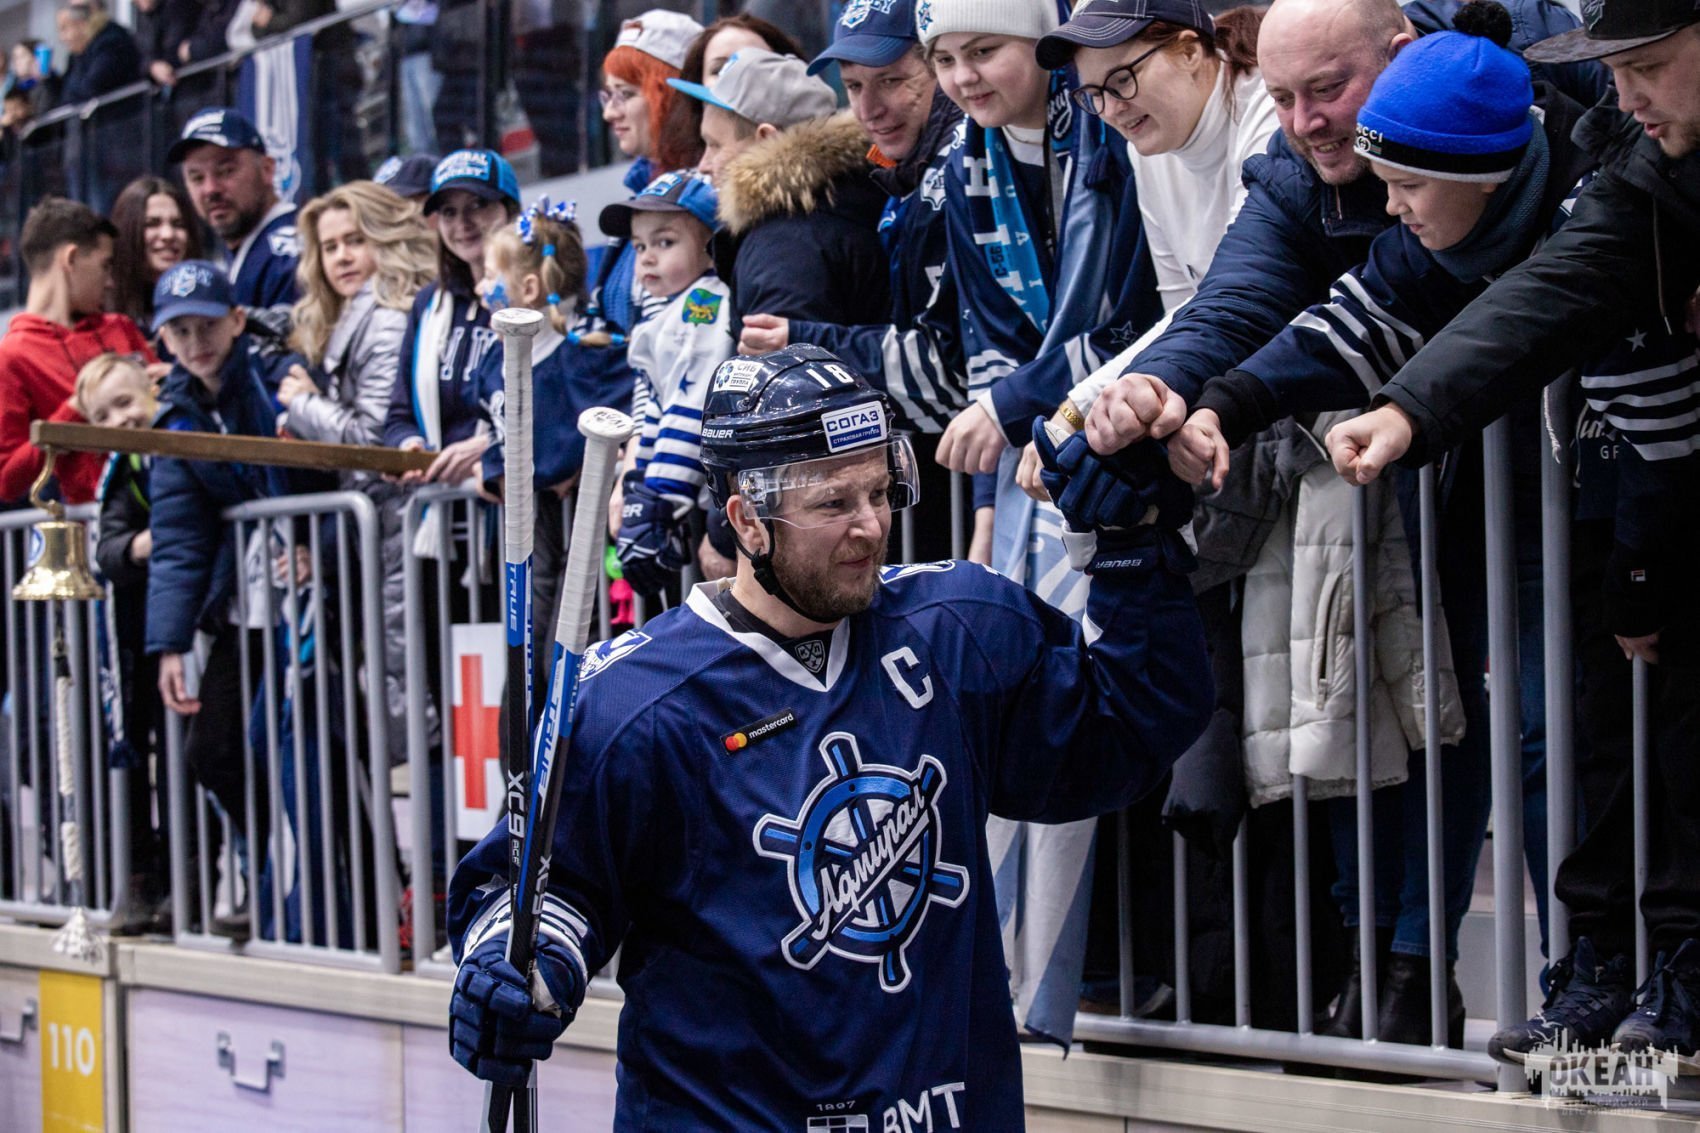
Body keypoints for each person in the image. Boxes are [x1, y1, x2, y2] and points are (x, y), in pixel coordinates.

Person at [444, 345, 1214, 1128]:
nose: (871, 525)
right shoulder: (631, 702)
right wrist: (518, 967)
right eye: (834, 502)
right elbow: (541, 884)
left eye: (879, 490)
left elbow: (1129, 728)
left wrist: (1130, 547)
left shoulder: (958, 628)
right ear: (746, 520)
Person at [1321, 0, 1700, 1064]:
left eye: (1649, 64)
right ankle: (1627, 964)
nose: (1624, 95)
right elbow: (1552, 289)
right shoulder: (1642, 161)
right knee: (1621, 735)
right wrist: (1407, 408)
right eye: (1611, 69)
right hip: (1643, 497)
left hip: (1657, 495)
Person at [738, 0, 968, 566]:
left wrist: (806, 345)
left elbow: (953, 375)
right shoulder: (906, 181)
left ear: (940, 66)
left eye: (891, 80)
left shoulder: (956, 174)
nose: (869, 108)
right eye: (854, 86)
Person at [147, 260, 303, 939]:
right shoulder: (175, 413)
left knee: (308, 747)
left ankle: (329, 890)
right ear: (164, 340)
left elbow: (316, 471)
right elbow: (179, 537)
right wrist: (170, 643)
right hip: (244, 604)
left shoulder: (277, 374)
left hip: (317, 594)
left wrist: (313, 540)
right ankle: (267, 870)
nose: (196, 342)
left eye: (207, 325)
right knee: (211, 749)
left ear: (237, 320)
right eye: (179, 331)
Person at [281, 180, 436, 765]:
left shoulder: (387, 315)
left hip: (399, 519)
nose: (342, 256)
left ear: (386, 240)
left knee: (413, 688)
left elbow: (373, 439)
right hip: (383, 526)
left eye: (355, 240)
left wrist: (303, 404)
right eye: (329, 247)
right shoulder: (357, 314)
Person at [475, 197, 634, 660]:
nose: (481, 286)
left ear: (528, 288)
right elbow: (494, 424)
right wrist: (494, 470)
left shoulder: (581, 351)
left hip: (582, 515)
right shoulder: (494, 359)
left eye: (489, 275)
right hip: (535, 512)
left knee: (568, 634)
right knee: (528, 631)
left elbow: (624, 410)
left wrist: (587, 465)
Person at [670, 49, 889, 331]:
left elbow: (784, 357)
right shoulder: (843, 196)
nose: (703, 165)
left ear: (765, 139)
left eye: (715, 145)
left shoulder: (784, 247)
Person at [601, 170, 729, 597]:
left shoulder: (705, 303)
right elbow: (658, 407)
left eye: (665, 242)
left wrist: (659, 499)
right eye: (640, 247)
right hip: (693, 493)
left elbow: (692, 403)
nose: (647, 258)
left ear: (710, 248)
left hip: (707, 493)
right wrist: (640, 486)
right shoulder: (673, 310)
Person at [83, 352, 170, 934]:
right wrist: (141, 546)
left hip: (187, 627)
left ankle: (191, 878)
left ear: (151, 392)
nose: (121, 420)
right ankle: (141, 880)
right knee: (130, 755)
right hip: (133, 635)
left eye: (126, 402)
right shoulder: (119, 470)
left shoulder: (180, 443)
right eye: (103, 414)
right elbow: (108, 550)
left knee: (191, 758)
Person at [0, 197, 154, 506]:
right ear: (71, 258)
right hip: (94, 522)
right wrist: (75, 410)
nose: (110, 283)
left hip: (167, 500)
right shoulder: (12, 357)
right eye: (105, 266)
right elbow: (6, 479)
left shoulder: (121, 328)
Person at [385, 150, 520, 488]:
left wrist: (490, 446)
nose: (463, 223)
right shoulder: (428, 304)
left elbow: (558, 404)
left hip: (514, 501)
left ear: (509, 209)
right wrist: (410, 447)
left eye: (478, 204)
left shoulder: (537, 292)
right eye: (448, 212)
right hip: (442, 507)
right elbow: (399, 416)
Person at [592, 9, 704, 337]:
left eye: (626, 94)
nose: (609, 113)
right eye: (607, 95)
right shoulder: (644, 188)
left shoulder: (703, 198)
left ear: (671, 98)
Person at [170, 107, 302, 318]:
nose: (210, 189)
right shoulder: (251, 251)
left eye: (226, 171)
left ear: (267, 169)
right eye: (197, 178)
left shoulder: (286, 256)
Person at [664, 13, 802, 163]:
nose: (734, 78)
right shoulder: (687, 173)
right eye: (719, 69)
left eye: (753, 68)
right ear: (699, 80)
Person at [55, 0, 143, 213]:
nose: (65, 37)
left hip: (114, 143)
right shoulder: (79, 55)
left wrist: (74, 95)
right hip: (87, 148)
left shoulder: (111, 40)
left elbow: (92, 86)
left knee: (108, 208)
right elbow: (66, 96)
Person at [109, 175, 205, 347]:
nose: (168, 235)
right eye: (152, 224)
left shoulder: (208, 303)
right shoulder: (102, 309)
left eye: (178, 224)